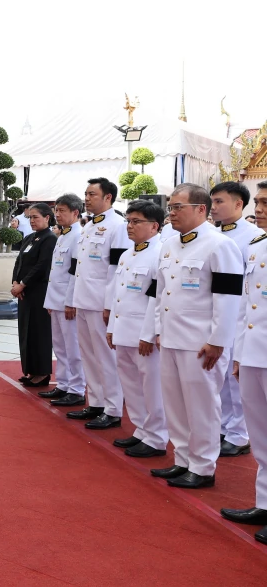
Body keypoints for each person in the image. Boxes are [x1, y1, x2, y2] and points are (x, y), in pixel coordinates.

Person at [143, 183, 243, 488]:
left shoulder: (219, 245)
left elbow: (228, 299)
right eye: (170, 207)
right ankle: (183, 459)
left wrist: (218, 341)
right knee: (175, 403)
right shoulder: (170, 245)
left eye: (177, 207)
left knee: (202, 406)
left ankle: (202, 467)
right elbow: (161, 294)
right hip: (171, 338)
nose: (171, 213)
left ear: (201, 209)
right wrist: (158, 330)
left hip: (201, 343)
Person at [221, 180, 267, 543]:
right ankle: (264, 502)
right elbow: (244, 306)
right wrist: (238, 350)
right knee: (262, 436)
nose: (261, 209)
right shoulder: (257, 247)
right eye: (261, 202)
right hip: (253, 351)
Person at [106, 200, 169, 458]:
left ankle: (156, 438)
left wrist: (148, 333)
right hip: (123, 329)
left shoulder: (160, 254)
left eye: (136, 222)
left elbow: (157, 299)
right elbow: (117, 295)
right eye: (128, 221)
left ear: (154, 226)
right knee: (130, 383)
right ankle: (141, 430)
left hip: (143, 334)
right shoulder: (127, 254)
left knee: (151, 387)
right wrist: (112, 327)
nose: (130, 226)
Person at [66, 178, 129, 429]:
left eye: (92, 194)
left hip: (101, 302)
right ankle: (96, 402)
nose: (87, 198)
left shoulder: (118, 226)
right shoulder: (89, 226)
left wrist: (110, 304)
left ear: (108, 198)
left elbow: (116, 269)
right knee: (89, 355)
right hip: (84, 300)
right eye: (86, 193)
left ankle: (113, 409)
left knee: (106, 357)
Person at [211, 181, 263, 457]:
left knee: (235, 378)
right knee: (219, 377)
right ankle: (223, 426)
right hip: (219, 315)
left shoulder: (252, 237)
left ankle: (239, 433)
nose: (214, 207)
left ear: (239, 205)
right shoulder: (212, 235)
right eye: (213, 202)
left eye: (220, 202)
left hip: (244, 318)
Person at [42, 194, 86, 406]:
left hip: (68, 301)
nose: (57, 215)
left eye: (62, 211)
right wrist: (51, 301)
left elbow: (75, 272)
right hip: (56, 299)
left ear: (76, 213)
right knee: (59, 346)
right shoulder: (62, 236)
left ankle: (77, 389)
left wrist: (71, 301)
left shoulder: (79, 236)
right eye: (56, 211)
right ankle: (63, 384)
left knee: (73, 347)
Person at [11, 203, 57, 386]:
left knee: (39, 332)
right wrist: (15, 282)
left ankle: (42, 372)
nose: (32, 221)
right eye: (30, 217)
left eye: (36, 217)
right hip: (24, 293)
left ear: (47, 218)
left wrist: (23, 284)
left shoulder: (50, 239)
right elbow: (19, 262)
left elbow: (42, 265)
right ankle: (30, 369)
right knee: (26, 331)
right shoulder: (30, 238)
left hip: (39, 292)